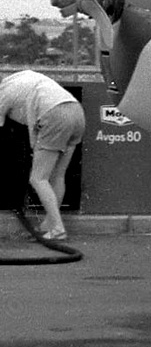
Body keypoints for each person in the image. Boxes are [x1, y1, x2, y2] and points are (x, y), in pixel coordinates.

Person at [0, 70, 86, 240]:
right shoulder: (23, 77)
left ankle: (58, 228)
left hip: (54, 115)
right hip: (76, 112)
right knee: (57, 175)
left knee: (38, 178)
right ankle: (49, 225)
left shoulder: (2, 93)